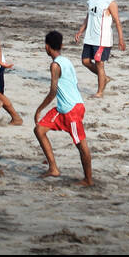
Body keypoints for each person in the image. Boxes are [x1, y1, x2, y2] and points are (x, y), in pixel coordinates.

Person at [32, 30, 92, 183]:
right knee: (39, 130)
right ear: (61, 45)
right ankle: (53, 168)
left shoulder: (55, 65)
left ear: (47, 47)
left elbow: (52, 92)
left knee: (80, 144)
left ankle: (88, 179)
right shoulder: (66, 60)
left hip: (71, 109)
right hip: (64, 108)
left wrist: (39, 109)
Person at [73, 0, 125, 98]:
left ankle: (99, 92)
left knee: (99, 63)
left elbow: (117, 21)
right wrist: (80, 31)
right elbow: (88, 16)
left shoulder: (110, 2)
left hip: (102, 39)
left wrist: (121, 40)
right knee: (85, 61)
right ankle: (104, 78)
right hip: (90, 37)